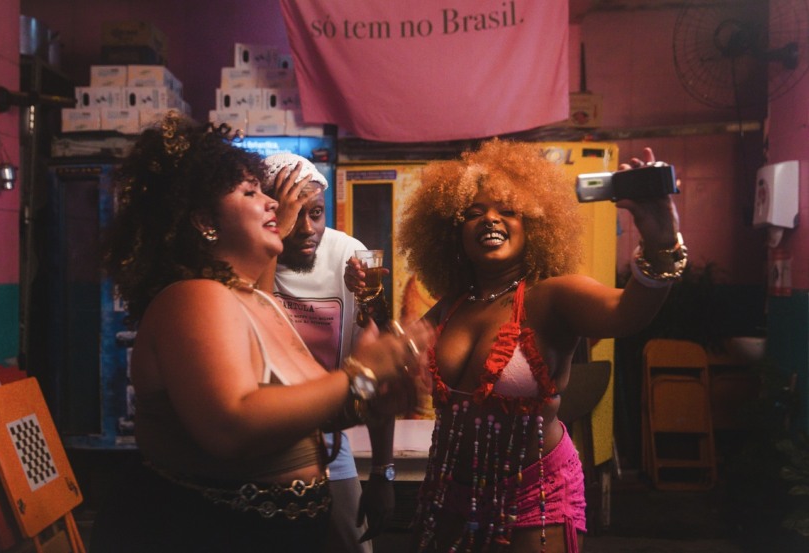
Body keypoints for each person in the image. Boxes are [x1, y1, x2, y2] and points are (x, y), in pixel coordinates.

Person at [90, 112, 429, 553]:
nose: (272, 204)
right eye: (251, 192)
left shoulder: (258, 301)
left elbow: (309, 415)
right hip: (204, 534)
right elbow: (232, 424)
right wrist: (359, 376)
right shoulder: (194, 297)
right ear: (204, 220)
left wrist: (373, 395)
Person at [389, 139, 683, 553]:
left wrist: (662, 242)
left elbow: (628, 313)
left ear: (534, 225)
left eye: (508, 210)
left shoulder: (553, 296)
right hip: (450, 492)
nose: (490, 219)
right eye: (473, 212)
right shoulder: (452, 306)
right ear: (452, 232)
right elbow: (392, 358)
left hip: (535, 495)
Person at [261, 152, 396, 553]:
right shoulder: (250, 256)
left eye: (316, 213)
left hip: (328, 441)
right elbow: (255, 319)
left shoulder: (347, 255)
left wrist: (382, 471)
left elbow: (374, 371)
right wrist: (272, 240)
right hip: (259, 443)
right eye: (290, 214)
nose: (306, 229)